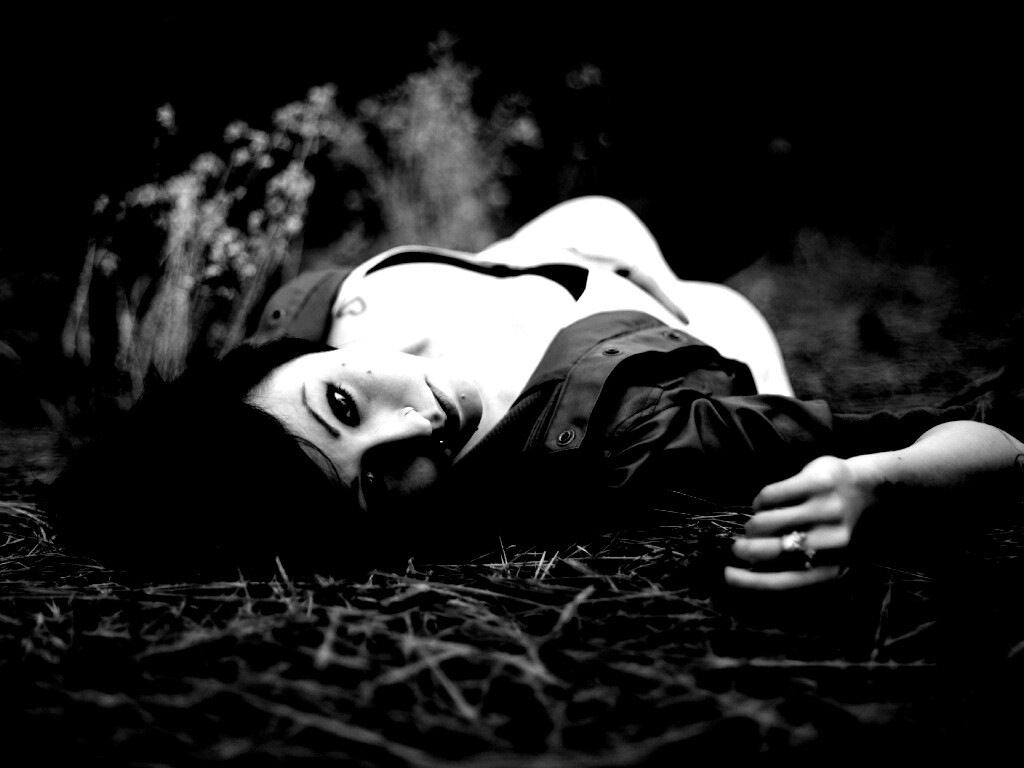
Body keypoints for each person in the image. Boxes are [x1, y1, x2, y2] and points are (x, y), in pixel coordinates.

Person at [51, 197, 1024, 588]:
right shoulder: (635, 437)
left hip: (605, 237)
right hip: (706, 315)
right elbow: (996, 443)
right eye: (384, 479)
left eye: (341, 407)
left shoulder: (311, 311)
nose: (415, 423)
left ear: (265, 367)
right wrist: (880, 483)